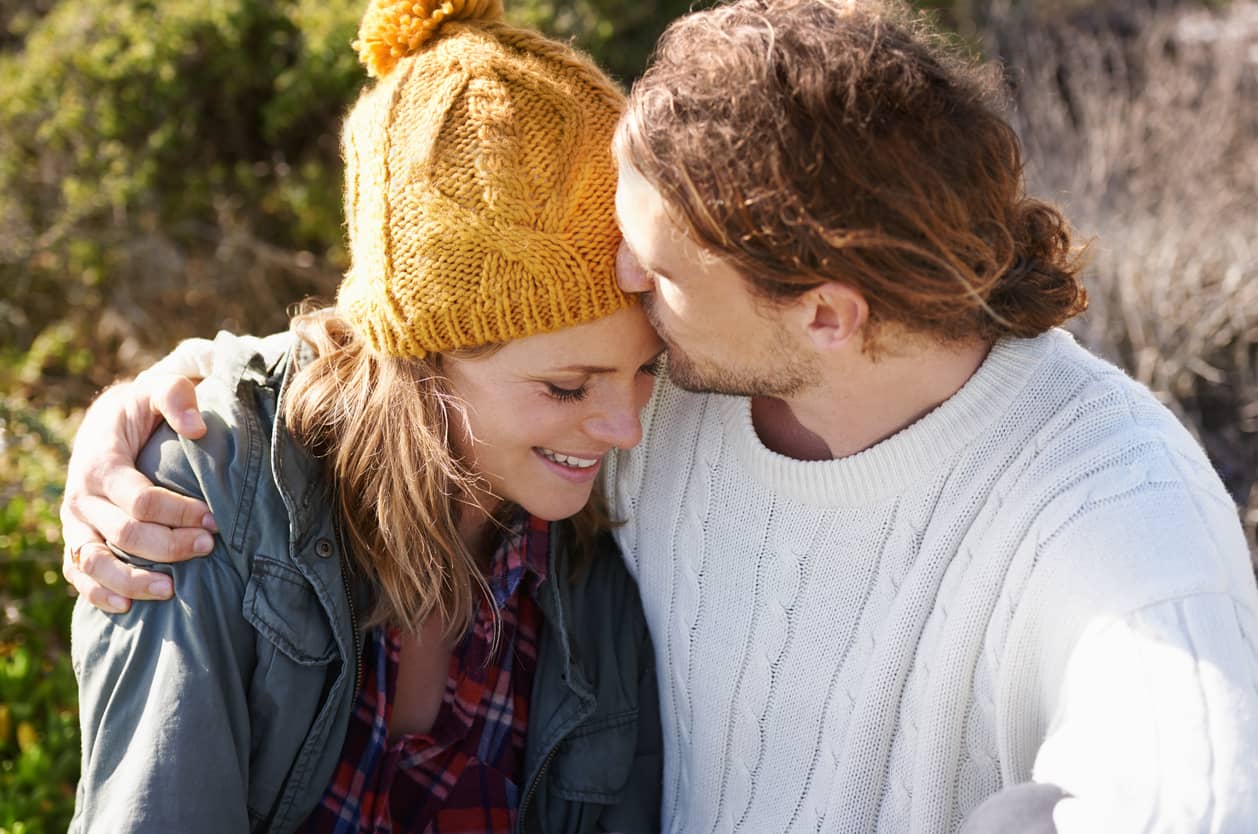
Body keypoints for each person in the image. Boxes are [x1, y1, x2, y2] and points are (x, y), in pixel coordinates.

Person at [63, 0, 1258, 832]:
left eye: (653, 268)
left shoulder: (1114, 512)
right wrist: (160, 407)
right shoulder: (682, 387)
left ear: (828, 314)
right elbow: (422, 347)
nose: (619, 286)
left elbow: (1195, 800)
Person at [66, 1, 664, 832]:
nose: (626, 427)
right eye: (568, 387)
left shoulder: (601, 575)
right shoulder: (208, 500)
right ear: (422, 355)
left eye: (646, 370)